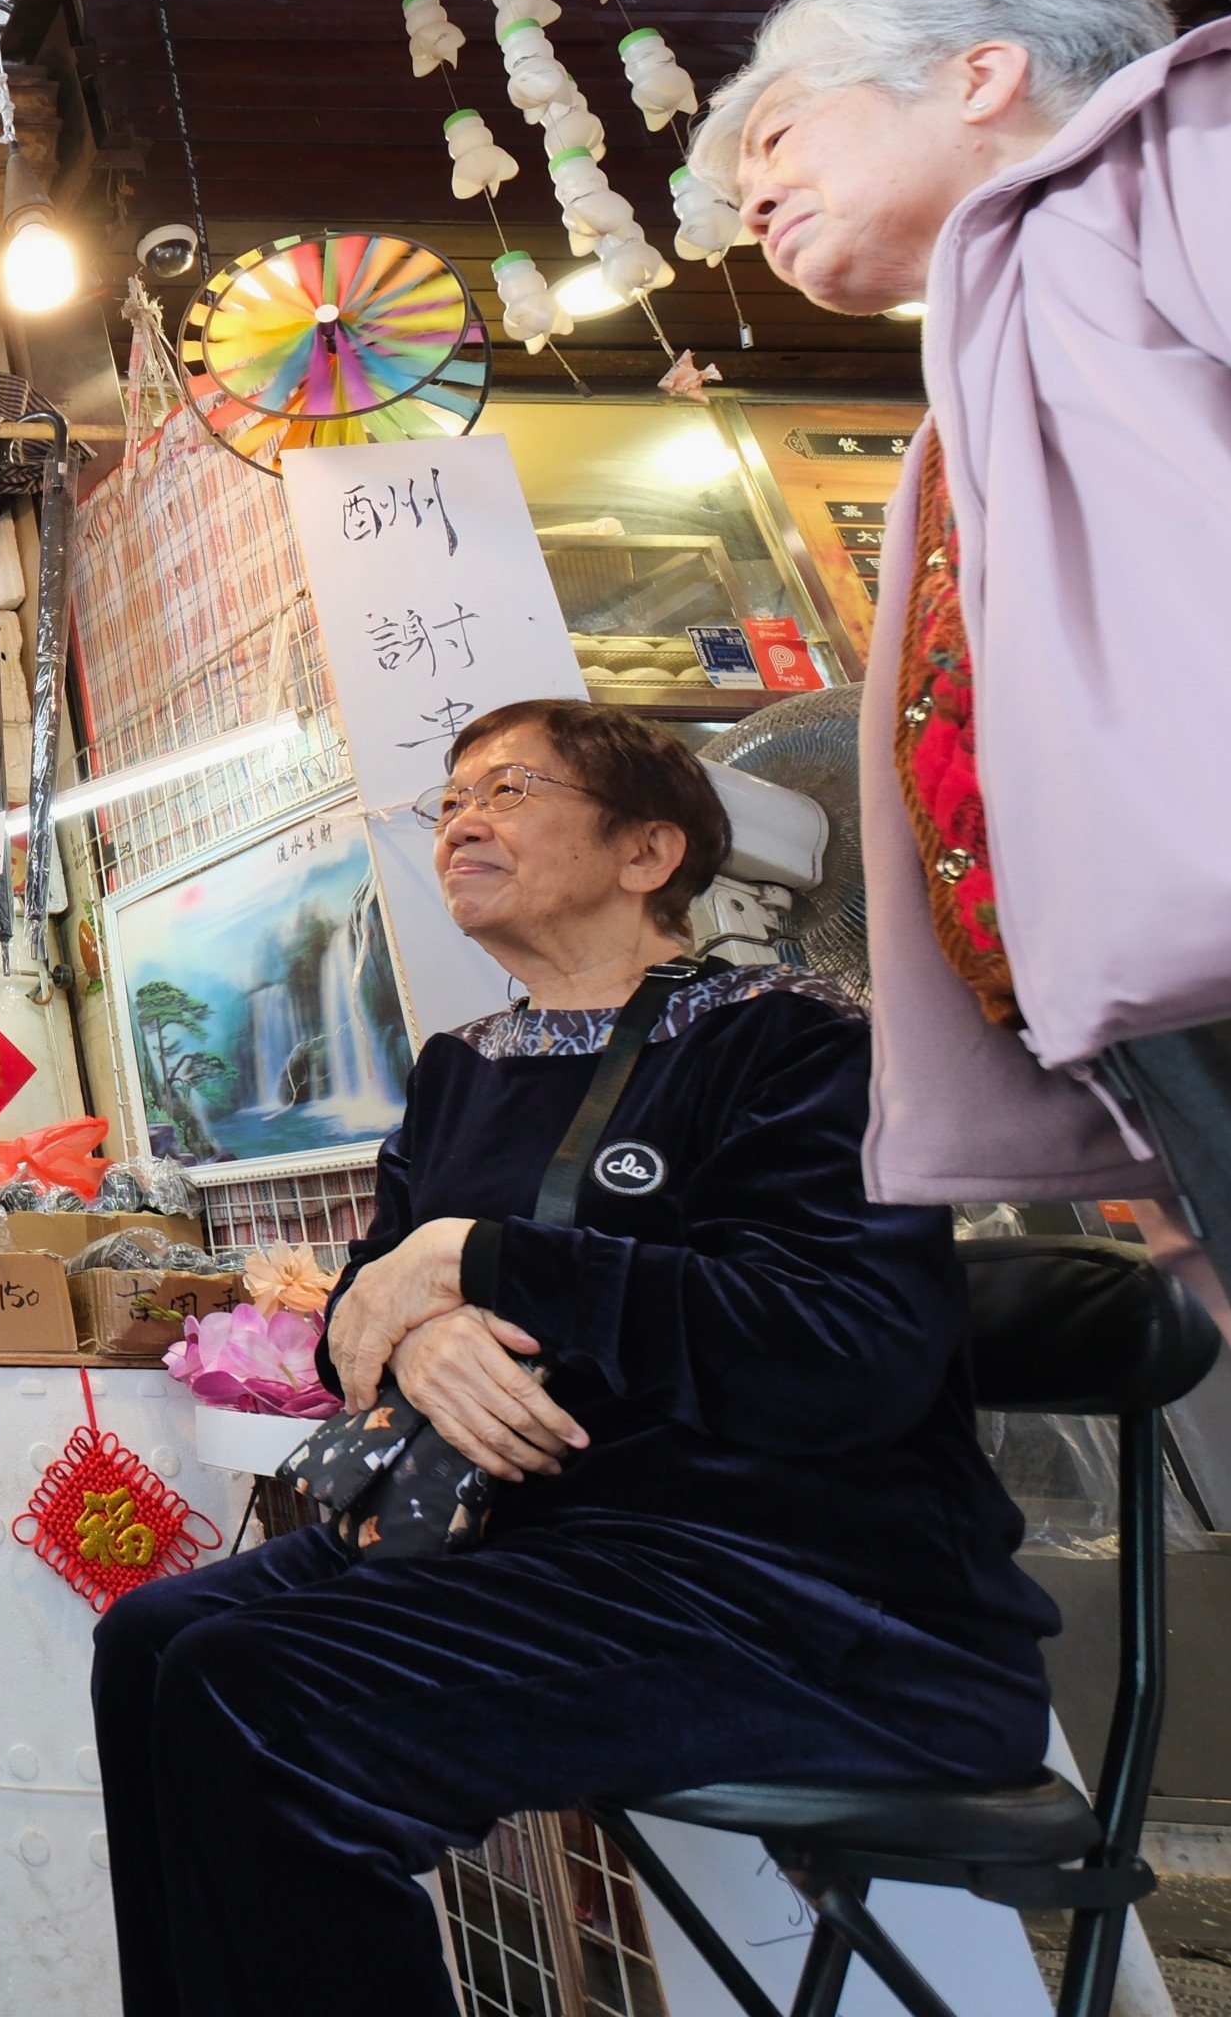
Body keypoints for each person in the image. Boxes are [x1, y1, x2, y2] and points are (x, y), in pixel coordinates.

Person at [703, 0, 1231, 1599]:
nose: (740, 195)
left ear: (978, 73)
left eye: (774, 132)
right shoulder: (964, 406)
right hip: (1218, 1058)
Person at [93, 699, 1051, 2017]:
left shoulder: (799, 1044)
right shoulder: (463, 1073)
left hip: (786, 1591)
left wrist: (482, 1263)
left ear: (649, 853)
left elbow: (850, 1351)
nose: (463, 820)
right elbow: (359, 1309)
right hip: (531, 1544)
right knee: (153, 1641)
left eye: (514, 787)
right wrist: (420, 1319)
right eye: (452, 799)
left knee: (264, 1695)